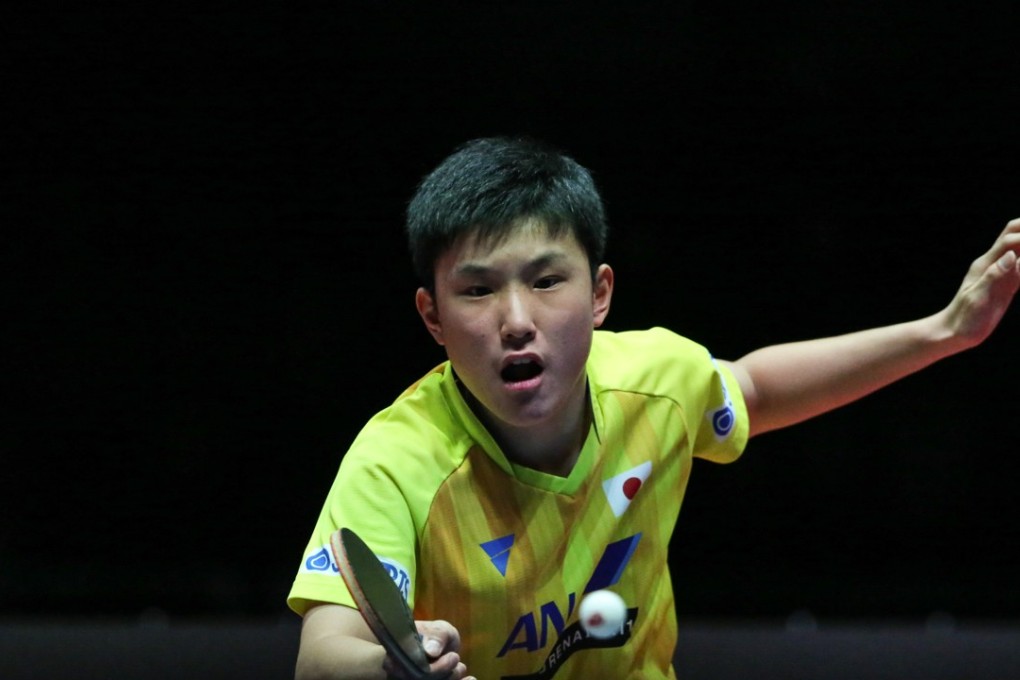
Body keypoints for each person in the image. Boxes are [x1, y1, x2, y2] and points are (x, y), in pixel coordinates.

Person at [287, 137, 1019, 680]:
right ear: (433, 318)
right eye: (477, 291)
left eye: (546, 280)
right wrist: (394, 669)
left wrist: (946, 330)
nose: (516, 319)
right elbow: (323, 653)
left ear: (600, 293)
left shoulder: (656, 383)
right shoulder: (396, 460)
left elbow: (754, 390)